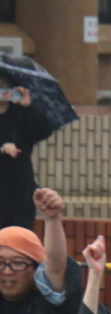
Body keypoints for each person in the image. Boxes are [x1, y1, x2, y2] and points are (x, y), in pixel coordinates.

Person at [0, 77, 54, 230]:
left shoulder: (21, 114)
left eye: (4, 85)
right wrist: (2, 150)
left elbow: (43, 131)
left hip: (19, 188)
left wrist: (27, 106)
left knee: (19, 237)